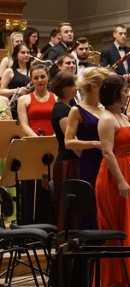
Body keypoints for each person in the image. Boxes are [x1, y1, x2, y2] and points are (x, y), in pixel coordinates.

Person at [95, 75, 130, 287]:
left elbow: (127, 145)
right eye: (124, 91)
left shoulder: (122, 116)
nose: (128, 94)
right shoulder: (106, 118)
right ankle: (117, 279)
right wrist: (121, 180)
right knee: (117, 225)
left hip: (128, 172)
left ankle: (129, 279)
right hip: (114, 177)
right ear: (115, 93)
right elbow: (107, 152)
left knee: (129, 222)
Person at [64, 67, 110, 229]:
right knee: (91, 205)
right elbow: (68, 142)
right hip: (90, 162)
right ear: (93, 86)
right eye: (103, 85)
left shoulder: (105, 109)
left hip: (107, 161)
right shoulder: (76, 110)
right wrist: (95, 144)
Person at [16, 62, 55, 224]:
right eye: (36, 78)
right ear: (31, 80)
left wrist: (52, 138)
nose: (40, 80)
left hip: (52, 144)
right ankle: (32, 227)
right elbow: (24, 124)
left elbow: (59, 120)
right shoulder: (24, 99)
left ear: (48, 77)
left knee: (51, 185)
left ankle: (51, 226)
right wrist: (38, 140)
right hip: (32, 145)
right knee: (32, 187)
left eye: (42, 77)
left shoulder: (56, 97)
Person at [50, 71, 79, 230]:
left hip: (72, 160)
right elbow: (71, 141)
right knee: (70, 207)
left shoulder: (70, 107)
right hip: (68, 162)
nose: (76, 88)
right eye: (72, 85)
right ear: (62, 88)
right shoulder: (61, 110)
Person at [0, 44, 31, 115]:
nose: (26, 55)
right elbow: (1, 91)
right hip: (15, 108)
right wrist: (17, 90)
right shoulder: (9, 71)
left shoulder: (33, 70)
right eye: (23, 52)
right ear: (16, 55)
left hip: (30, 105)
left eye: (28, 52)